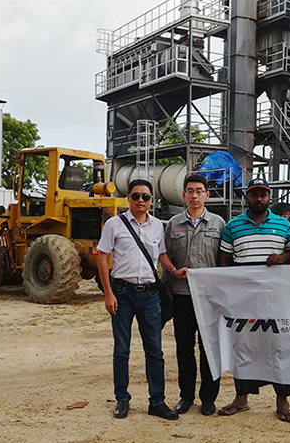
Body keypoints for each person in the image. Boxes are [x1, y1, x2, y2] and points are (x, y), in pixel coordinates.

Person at [96, 179, 182, 421]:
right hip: (121, 293)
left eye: (145, 196)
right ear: (128, 199)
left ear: (151, 200)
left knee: (155, 350)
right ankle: (122, 399)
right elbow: (102, 258)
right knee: (121, 349)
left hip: (150, 295)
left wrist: (174, 271)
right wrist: (108, 294)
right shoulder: (114, 224)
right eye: (136, 196)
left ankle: (157, 401)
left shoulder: (157, 226)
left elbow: (161, 254)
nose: (140, 200)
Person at [216, 177, 290, 422]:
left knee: (280, 346)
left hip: (277, 297)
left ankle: (282, 400)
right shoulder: (232, 226)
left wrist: (283, 258)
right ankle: (241, 398)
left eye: (263, 195)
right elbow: (224, 261)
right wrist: (228, 292)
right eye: (254, 194)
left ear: (269, 197)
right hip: (244, 298)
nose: (259, 199)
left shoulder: (283, 224)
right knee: (244, 346)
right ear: (247, 197)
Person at [163, 174, 225, 417]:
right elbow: (165, 256)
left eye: (199, 191)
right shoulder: (173, 224)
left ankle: (208, 398)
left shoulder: (219, 224)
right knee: (184, 347)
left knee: (209, 348)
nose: (195, 195)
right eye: (190, 191)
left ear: (207, 195)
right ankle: (186, 396)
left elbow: (224, 260)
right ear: (184, 195)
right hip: (182, 295)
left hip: (210, 297)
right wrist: (171, 277)